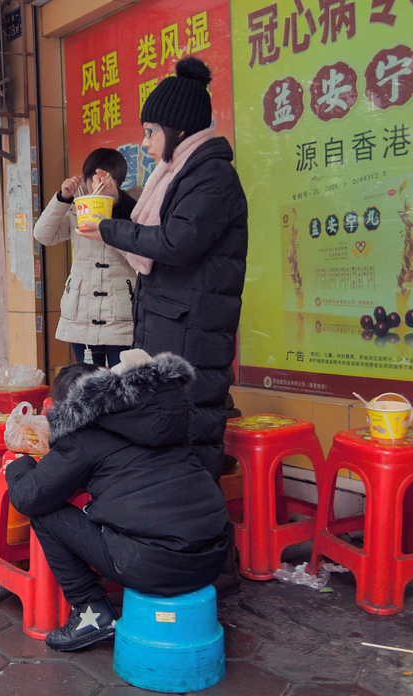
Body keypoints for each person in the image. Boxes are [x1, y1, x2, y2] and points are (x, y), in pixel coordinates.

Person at [76, 55, 247, 484]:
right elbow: (165, 226)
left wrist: (109, 228)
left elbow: (176, 241)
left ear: (179, 130)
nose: (146, 142)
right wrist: (119, 205)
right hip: (174, 325)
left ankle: (197, 535)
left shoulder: (212, 176)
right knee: (170, 433)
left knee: (191, 433)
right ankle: (175, 528)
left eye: (151, 131)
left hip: (193, 332)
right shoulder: (183, 173)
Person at [5, 351, 232, 652]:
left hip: (157, 565)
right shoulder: (158, 418)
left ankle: (91, 609)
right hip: (215, 555)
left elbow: (28, 497)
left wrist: (19, 466)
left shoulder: (82, 435)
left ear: (65, 408)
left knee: (46, 516)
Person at [34, 149, 138, 368]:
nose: (96, 186)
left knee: (121, 379)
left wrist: (112, 221)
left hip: (119, 313)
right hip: (81, 310)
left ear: (117, 182)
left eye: (104, 180)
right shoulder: (76, 209)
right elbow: (43, 235)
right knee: (86, 380)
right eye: (92, 179)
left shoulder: (132, 209)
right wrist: (63, 199)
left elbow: (140, 254)